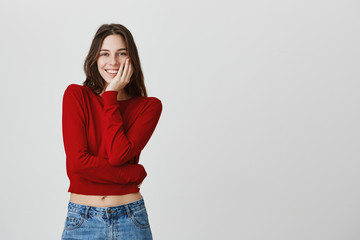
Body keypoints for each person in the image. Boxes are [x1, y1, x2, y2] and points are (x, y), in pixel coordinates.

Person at [61, 23, 162, 239]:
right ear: (95, 59)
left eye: (121, 53)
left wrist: (110, 95)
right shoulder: (76, 96)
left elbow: (117, 154)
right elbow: (78, 165)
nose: (113, 62)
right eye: (104, 54)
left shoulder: (149, 106)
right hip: (82, 219)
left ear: (131, 58)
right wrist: (134, 173)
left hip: (131, 219)